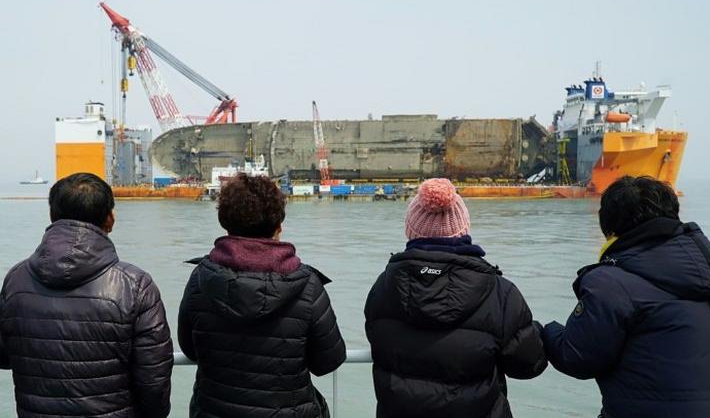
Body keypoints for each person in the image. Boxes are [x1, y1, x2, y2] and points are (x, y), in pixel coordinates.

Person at [542, 176, 710, 418]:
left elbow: (577, 357)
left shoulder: (613, 281)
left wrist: (542, 331)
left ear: (609, 226)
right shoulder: (705, 276)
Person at [365, 178, 547, 418]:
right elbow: (528, 364)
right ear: (463, 228)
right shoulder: (500, 293)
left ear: (411, 230)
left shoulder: (384, 287)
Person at [0, 172, 173, 417]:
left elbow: (5, 357)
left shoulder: (15, 279)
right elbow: (153, 380)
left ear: (52, 216)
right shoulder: (135, 285)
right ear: (110, 220)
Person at [178, 173, 346, 418]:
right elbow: (328, 360)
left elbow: (190, 349)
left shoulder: (201, 279)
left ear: (225, 225)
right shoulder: (308, 285)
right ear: (279, 227)